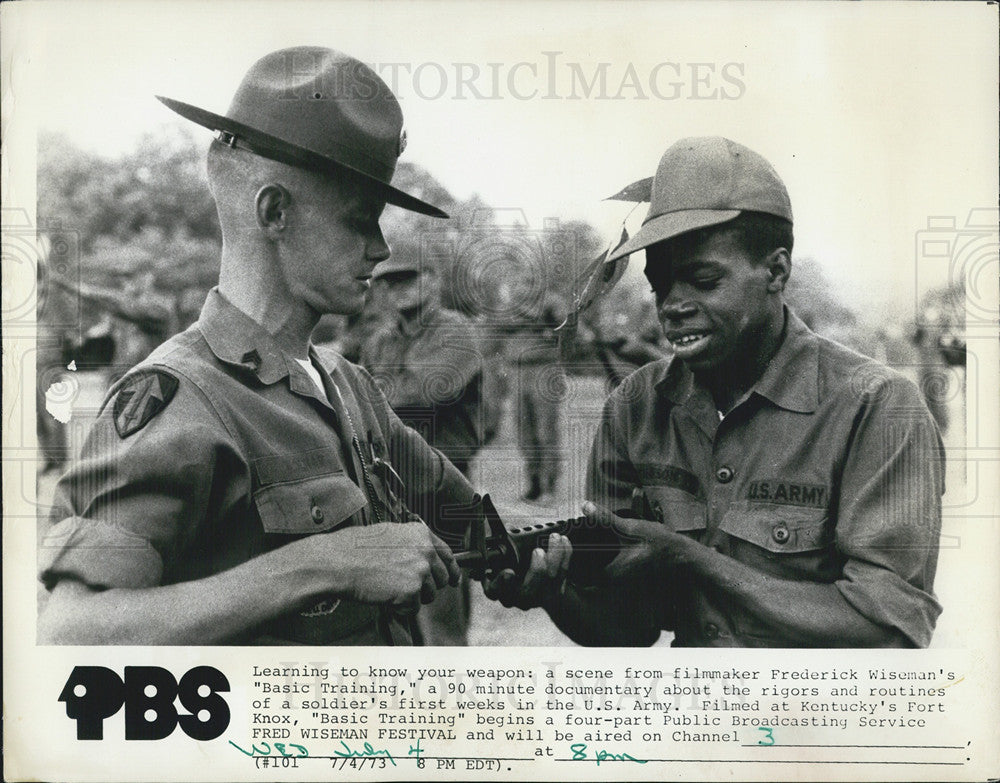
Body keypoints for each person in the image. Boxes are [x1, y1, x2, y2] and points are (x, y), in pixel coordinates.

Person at [37, 47, 482, 645]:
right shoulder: (183, 401)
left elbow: (470, 520)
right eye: (360, 220)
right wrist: (325, 564)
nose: (380, 248)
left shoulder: (348, 387)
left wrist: (567, 546)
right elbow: (73, 633)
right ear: (274, 212)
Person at [489, 137, 944, 648]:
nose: (673, 305)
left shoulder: (876, 408)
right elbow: (626, 629)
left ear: (776, 270)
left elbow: (889, 630)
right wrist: (554, 592)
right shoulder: (637, 406)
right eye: (661, 286)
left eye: (703, 280)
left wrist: (689, 559)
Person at [360, 255, 490, 644]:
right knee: (394, 611)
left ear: (431, 280)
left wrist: (371, 396)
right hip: (389, 479)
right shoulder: (381, 340)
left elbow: (431, 391)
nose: (399, 288)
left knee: (441, 615)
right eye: (390, 281)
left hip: (441, 480)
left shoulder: (456, 332)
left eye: (408, 277)